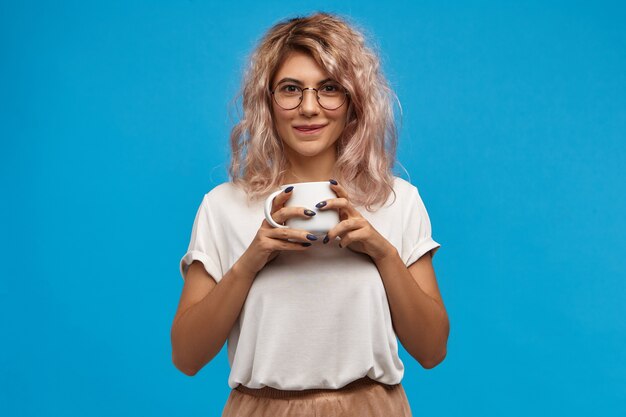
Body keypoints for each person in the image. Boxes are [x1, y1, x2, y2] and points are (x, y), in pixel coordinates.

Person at [171, 12, 449, 416]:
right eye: (290, 89)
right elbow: (187, 357)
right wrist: (251, 262)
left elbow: (432, 350)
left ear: (353, 100)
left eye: (329, 89)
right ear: (267, 101)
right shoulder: (223, 206)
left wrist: (382, 253)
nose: (309, 108)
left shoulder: (397, 201)